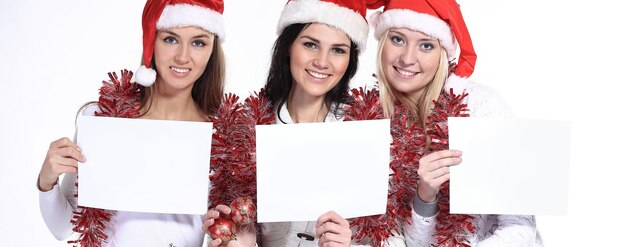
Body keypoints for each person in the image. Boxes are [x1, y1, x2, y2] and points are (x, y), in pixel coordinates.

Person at [203, 0, 416, 246]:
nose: (322, 62)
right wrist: (240, 241)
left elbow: (393, 237)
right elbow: (227, 229)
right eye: (310, 45)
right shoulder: (245, 129)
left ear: (350, 59)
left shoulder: (365, 130)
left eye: (338, 50)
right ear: (288, 47)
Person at [37, 0, 226, 246]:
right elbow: (64, 229)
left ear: (212, 50)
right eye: (170, 39)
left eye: (198, 43)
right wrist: (46, 181)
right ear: (151, 42)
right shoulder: (104, 120)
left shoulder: (222, 138)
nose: (183, 56)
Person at [369, 0, 543, 246]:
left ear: (442, 53)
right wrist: (425, 198)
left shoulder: (482, 107)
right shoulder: (367, 120)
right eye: (398, 39)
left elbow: (520, 227)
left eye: (426, 45)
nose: (408, 58)